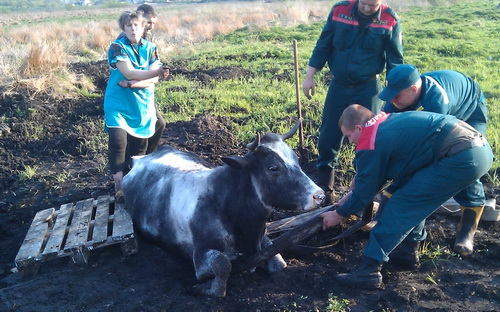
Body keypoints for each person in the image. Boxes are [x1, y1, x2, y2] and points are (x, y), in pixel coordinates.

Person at [321, 104, 492, 289]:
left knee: (401, 205)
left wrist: (337, 215)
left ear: (358, 128)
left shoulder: (369, 139)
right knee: (408, 191)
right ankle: (407, 252)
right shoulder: (384, 122)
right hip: (476, 148)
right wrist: (352, 194)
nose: (349, 142)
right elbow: (380, 179)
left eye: (348, 136)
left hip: (461, 157)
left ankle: (368, 271)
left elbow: (364, 193)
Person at [378, 64, 489, 257]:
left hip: (469, 111)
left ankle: (466, 231)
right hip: (442, 109)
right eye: (390, 96)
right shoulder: (396, 99)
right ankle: (389, 213)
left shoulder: (437, 103)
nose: (392, 101)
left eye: (397, 96)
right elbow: (385, 133)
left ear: (413, 89)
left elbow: (426, 149)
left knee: (465, 160)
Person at [302, 0, 403, 204]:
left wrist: (396, 91)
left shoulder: (390, 19)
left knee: (371, 137)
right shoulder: (339, 11)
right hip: (338, 85)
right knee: (329, 134)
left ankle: (364, 192)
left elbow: (395, 60)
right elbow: (323, 44)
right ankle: (326, 191)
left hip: (368, 87)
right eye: (364, 3)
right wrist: (309, 76)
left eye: (372, 5)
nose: (367, 8)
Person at [103, 10, 169, 201]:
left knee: (138, 149)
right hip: (118, 102)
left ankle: (135, 181)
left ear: (143, 27)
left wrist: (136, 83)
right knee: (118, 142)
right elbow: (129, 72)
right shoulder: (117, 47)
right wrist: (158, 72)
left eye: (136, 25)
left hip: (142, 105)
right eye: (128, 26)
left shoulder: (151, 48)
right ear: (123, 28)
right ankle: (119, 185)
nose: (132, 29)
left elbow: (147, 80)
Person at [116, 4, 165, 155]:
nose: (151, 26)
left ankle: (146, 158)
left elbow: (153, 71)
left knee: (159, 124)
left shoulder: (147, 40)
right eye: (149, 22)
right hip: (128, 94)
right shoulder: (124, 40)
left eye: (153, 23)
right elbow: (127, 71)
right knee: (141, 130)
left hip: (143, 90)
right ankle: (135, 162)